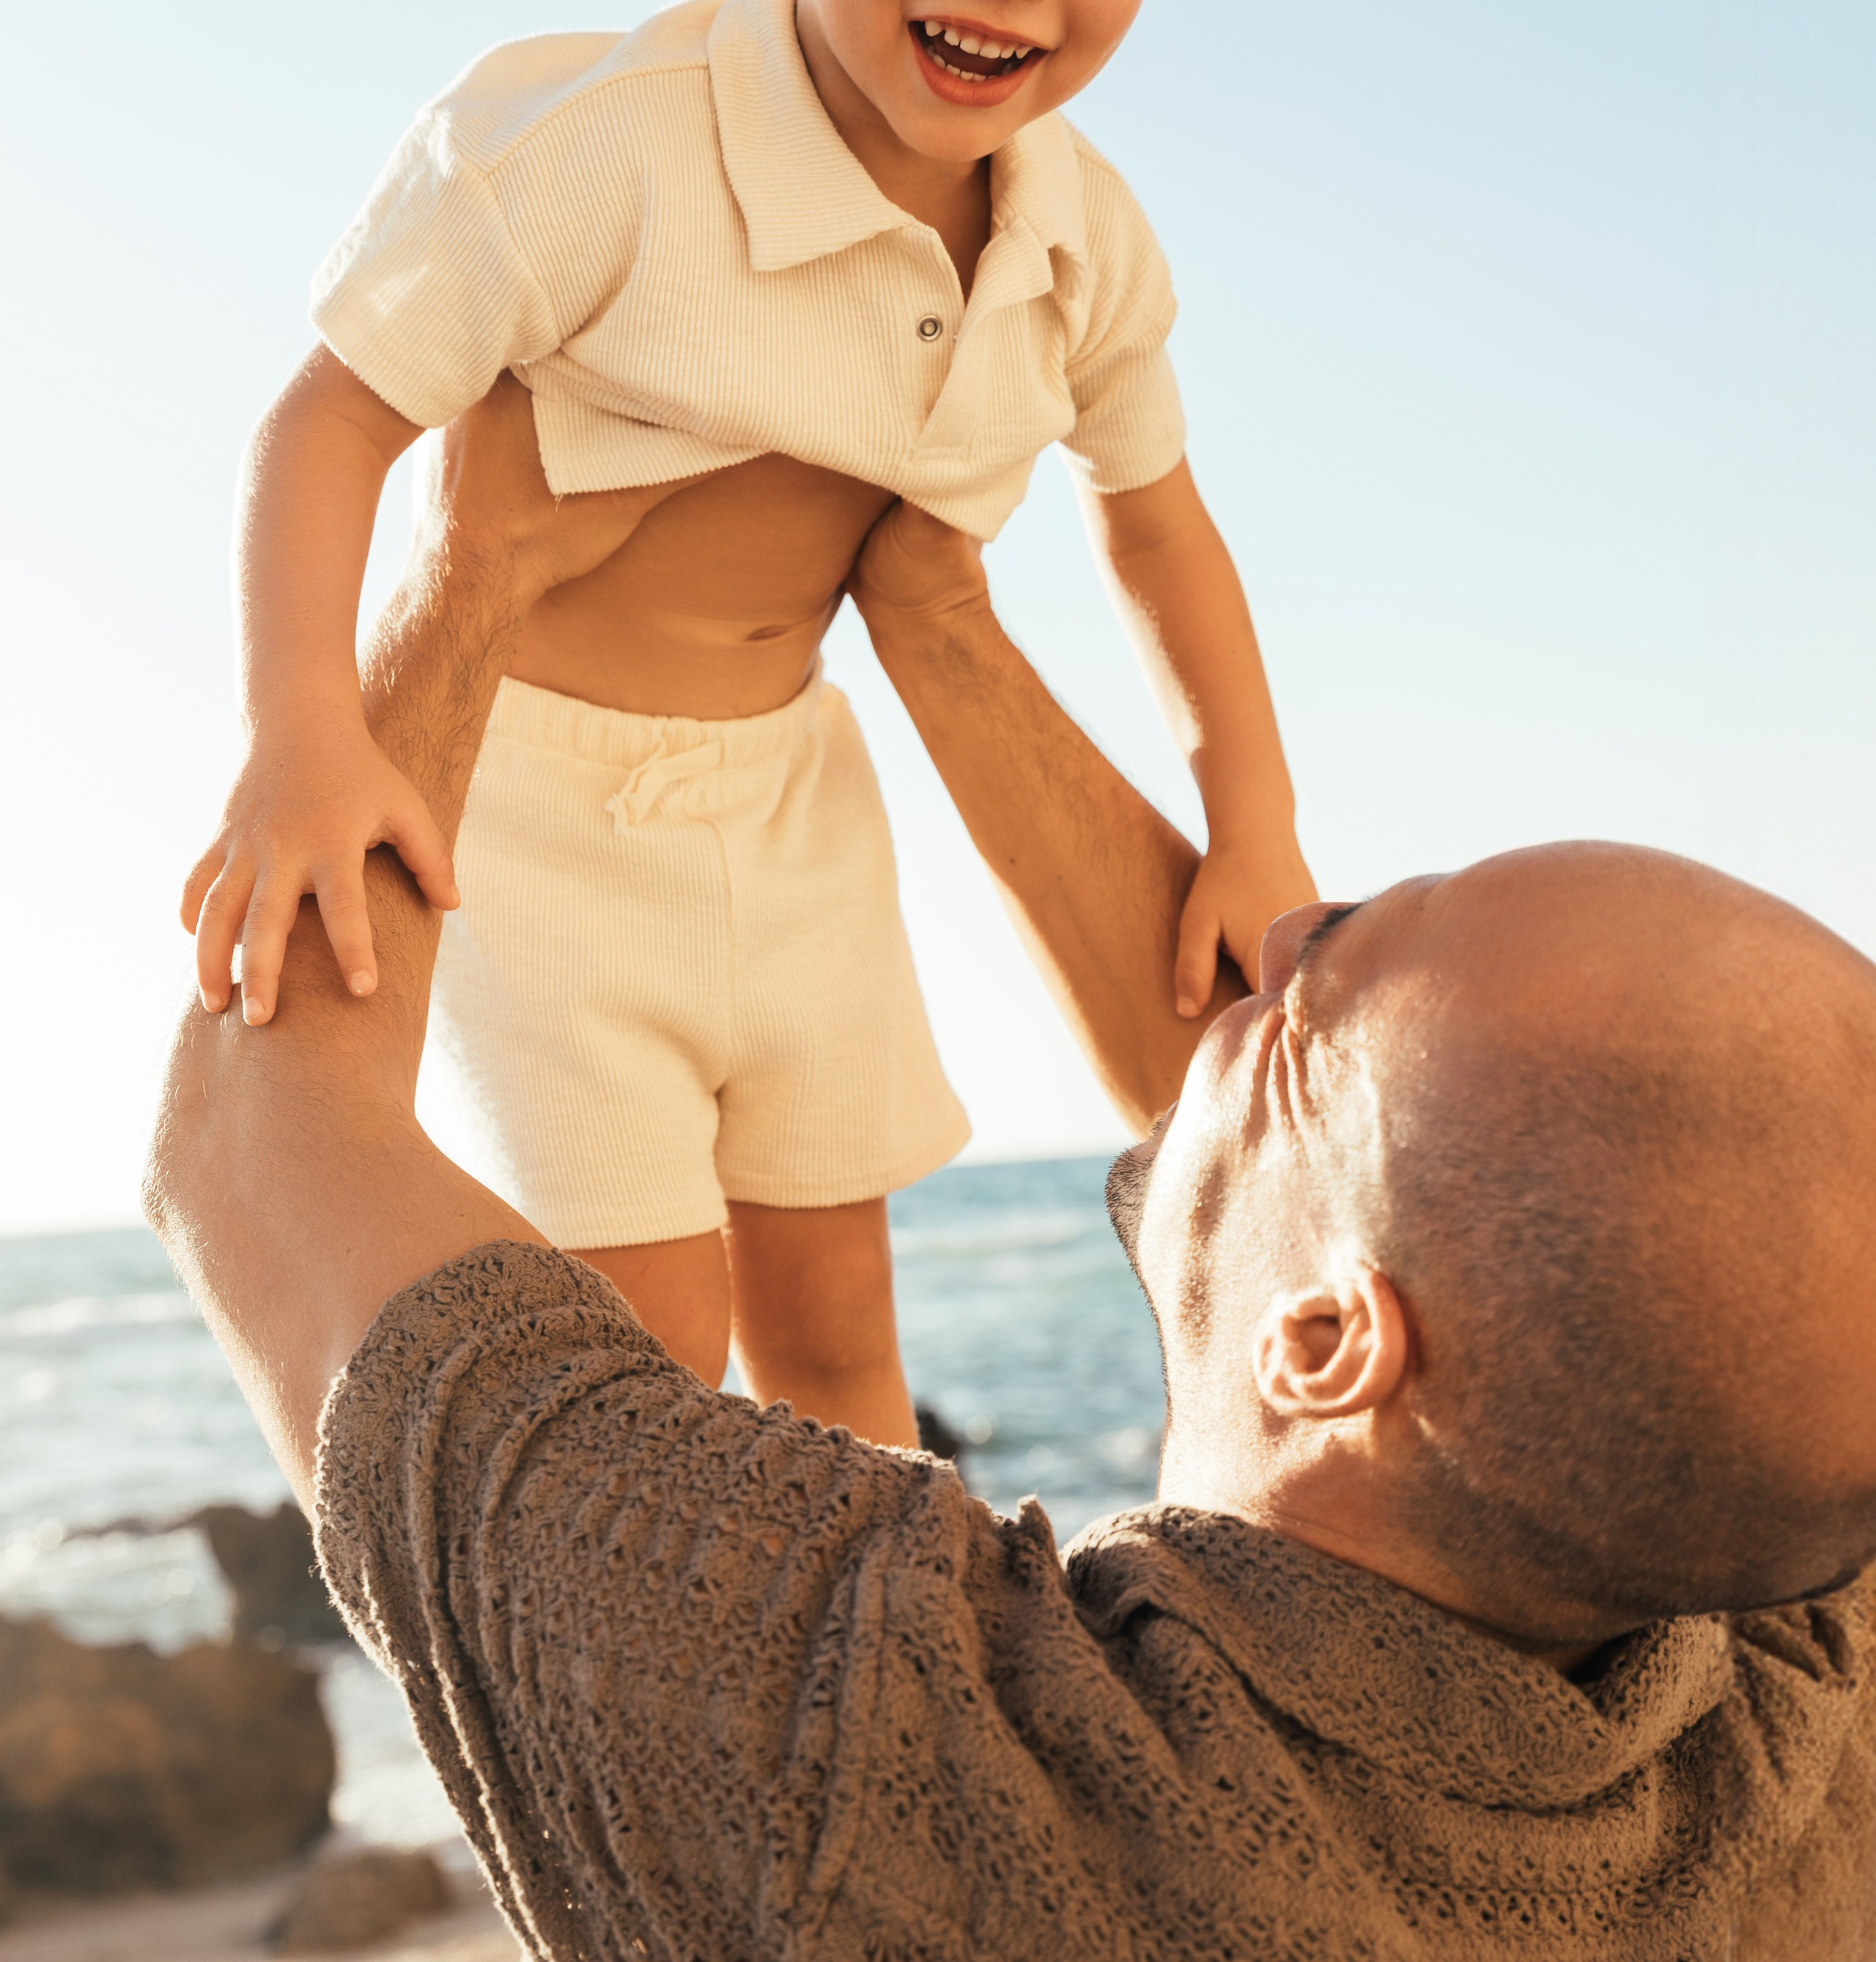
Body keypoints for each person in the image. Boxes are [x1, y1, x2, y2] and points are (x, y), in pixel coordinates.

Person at [148, 380, 1876, 1961]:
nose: (1257, 932)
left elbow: (248, 1141)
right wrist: (939, 624)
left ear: (1330, 1345)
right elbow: (1426, 1207)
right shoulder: (1808, 1703)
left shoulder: (869, 1738)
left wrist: (469, 562)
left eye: (1330, 965)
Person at [177, 0, 1314, 1437]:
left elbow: (1160, 528)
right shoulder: (608, 142)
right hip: (535, 808)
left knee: (844, 1339)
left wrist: (1258, 829)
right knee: (654, 1347)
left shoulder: (1079, 243)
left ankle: (864, 1712)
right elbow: (329, 419)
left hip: (799, 807)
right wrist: (302, 738)